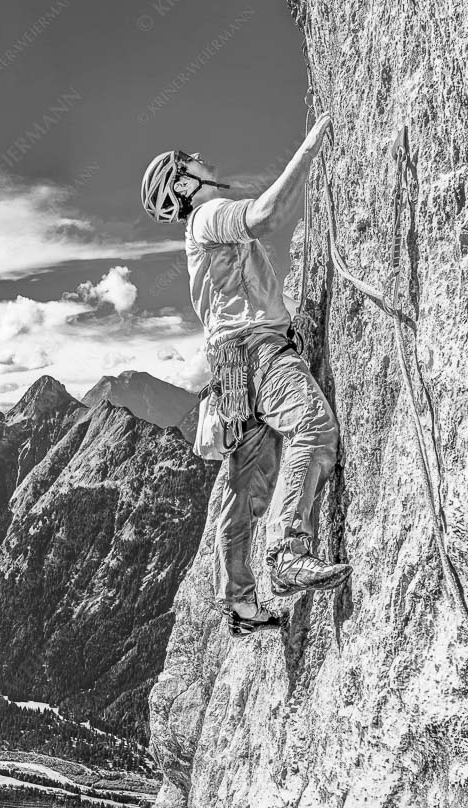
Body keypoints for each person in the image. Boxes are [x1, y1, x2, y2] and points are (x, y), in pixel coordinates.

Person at [139, 114, 351, 637]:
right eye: (188, 160)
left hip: (231, 370)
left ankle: (239, 603)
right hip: (258, 350)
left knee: (244, 487)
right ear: (185, 184)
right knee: (312, 429)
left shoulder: (196, 232)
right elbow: (264, 216)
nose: (199, 158)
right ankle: (288, 550)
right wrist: (313, 143)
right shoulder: (208, 215)